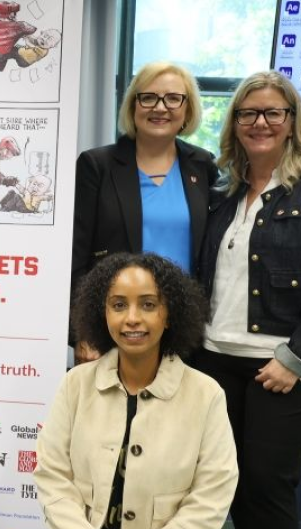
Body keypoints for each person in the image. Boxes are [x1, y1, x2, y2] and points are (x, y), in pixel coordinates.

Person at [36, 253, 237, 529]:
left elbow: (211, 497)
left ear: (169, 314)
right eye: (118, 305)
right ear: (103, 313)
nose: (132, 318)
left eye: (148, 305)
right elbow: (53, 476)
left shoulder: (206, 395)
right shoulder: (75, 385)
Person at [195, 70, 301, 529]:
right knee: (231, 485)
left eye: (272, 113)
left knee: (267, 485)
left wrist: (296, 357)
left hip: (278, 366)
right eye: (248, 113)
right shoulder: (225, 194)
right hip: (216, 360)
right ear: (234, 122)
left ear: (291, 122)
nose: (260, 122)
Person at [71, 62, 218, 364]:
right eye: (148, 97)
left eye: (173, 98)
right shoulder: (97, 166)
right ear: (133, 105)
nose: (160, 107)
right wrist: (80, 332)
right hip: (113, 328)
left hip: (184, 331)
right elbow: (75, 254)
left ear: (188, 110)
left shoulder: (203, 166)